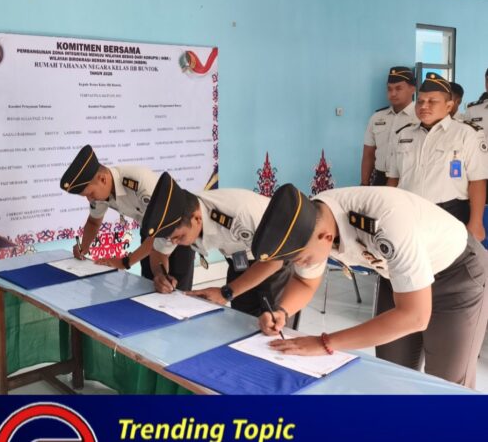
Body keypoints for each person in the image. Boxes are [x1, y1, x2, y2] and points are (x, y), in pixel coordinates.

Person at [251, 183, 488, 388]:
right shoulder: (315, 219)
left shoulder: (385, 221)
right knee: (391, 369)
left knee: (446, 383)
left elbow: (415, 316)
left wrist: (325, 343)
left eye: (302, 259)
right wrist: (282, 311)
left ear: (325, 237)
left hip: (456, 275)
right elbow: (304, 281)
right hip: (396, 276)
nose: (301, 265)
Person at [139, 172, 298, 322]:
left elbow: (274, 262)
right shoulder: (176, 218)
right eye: (170, 238)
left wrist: (225, 293)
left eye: (179, 237)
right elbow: (158, 252)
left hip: (275, 260)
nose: (173, 242)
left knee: (270, 322)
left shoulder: (239, 215)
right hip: (239, 259)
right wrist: (160, 274)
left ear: (197, 219)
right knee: (241, 319)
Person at [59, 145, 195, 290]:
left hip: (178, 234)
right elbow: (93, 222)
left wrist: (124, 262)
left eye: (90, 193)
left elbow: (160, 230)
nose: (89, 199)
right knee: (149, 287)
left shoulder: (140, 184)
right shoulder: (101, 193)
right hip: (151, 234)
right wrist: (84, 246)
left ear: (102, 179)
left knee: (176, 290)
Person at [386, 72, 488, 240]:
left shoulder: (467, 133)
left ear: (449, 106)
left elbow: (477, 181)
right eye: (420, 101)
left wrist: (476, 222)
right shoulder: (403, 134)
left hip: (450, 213)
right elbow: (393, 179)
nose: (424, 106)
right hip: (407, 212)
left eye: (432, 101)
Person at [361, 67, 418, 186]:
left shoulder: (419, 118)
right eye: (389, 89)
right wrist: (364, 183)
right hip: (380, 178)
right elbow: (368, 154)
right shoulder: (377, 117)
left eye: (398, 88)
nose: (393, 93)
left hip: (408, 179)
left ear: (412, 89)